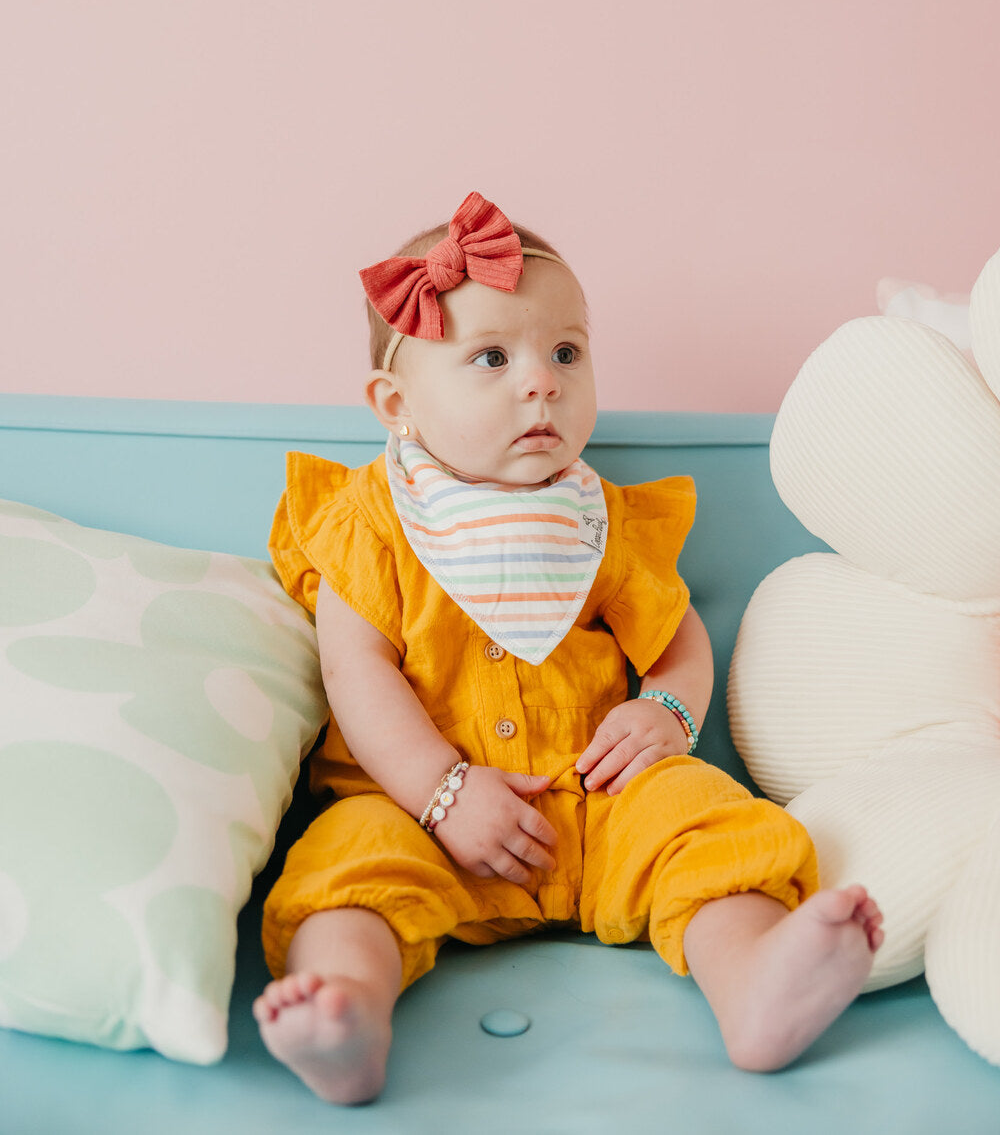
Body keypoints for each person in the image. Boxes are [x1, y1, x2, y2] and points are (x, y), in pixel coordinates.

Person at [253, 191, 883, 1104]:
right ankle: (345, 1010)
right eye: (492, 357)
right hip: (423, 819)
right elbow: (356, 673)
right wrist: (440, 790)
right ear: (397, 402)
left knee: (701, 816)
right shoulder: (372, 523)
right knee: (347, 863)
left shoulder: (599, 519)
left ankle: (752, 980)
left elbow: (676, 641)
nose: (541, 381)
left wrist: (665, 712)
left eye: (566, 352)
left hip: (594, 807)